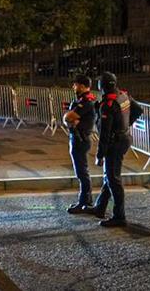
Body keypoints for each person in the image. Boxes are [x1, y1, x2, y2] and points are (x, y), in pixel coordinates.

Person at [90, 71, 133, 227]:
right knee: (110, 175)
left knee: (113, 179)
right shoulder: (123, 96)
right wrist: (124, 126)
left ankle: (119, 216)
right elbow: (137, 110)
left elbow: (104, 134)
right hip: (124, 138)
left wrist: (100, 155)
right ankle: (100, 207)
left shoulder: (107, 105)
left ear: (103, 87)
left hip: (114, 143)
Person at [63, 74, 97, 214]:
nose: (73, 87)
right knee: (81, 172)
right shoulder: (82, 100)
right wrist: (69, 119)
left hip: (80, 139)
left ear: (82, 86)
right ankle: (85, 201)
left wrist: (69, 119)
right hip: (78, 138)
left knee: (82, 173)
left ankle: (84, 202)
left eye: (75, 84)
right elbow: (68, 119)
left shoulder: (86, 101)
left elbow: (69, 117)